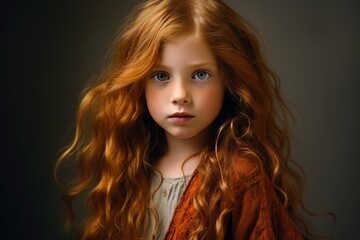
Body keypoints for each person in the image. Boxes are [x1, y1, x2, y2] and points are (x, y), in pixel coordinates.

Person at [55, 0, 311, 239]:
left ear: (229, 81)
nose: (180, 95)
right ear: (138, 84)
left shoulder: (240, 176)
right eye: (161, 76)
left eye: (200, 74)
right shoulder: (131, 166)